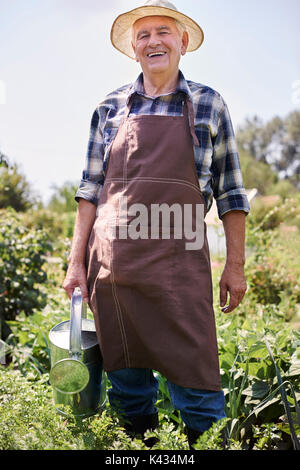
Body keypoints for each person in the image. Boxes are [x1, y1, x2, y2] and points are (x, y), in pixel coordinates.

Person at [63, 0, 250, 449]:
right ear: (133, 48)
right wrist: (75, 266)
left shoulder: (208, 104)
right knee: (130, 399)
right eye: (143, 35)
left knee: (201, 397)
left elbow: (231, 193)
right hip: (115, 273)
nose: (154, 42)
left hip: (178, 271)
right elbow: (89, 192)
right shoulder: (109, 109)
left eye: (164, 32)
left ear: (182, 42)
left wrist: (236, 265)